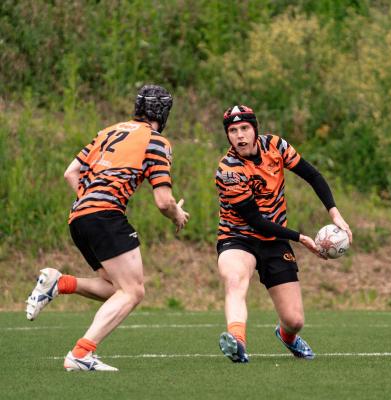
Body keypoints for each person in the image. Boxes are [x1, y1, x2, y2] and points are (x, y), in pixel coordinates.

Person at [25, 84, 189, 371]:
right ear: (163, 113)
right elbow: (164, 201)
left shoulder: (108, 132)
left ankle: (59, 283)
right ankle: (81, 353)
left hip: (79, 217)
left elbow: (70, 172)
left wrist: (90, 201)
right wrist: (177, 215)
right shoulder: (156, 141)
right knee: (133, 291)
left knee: (115, 288)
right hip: (105, 217)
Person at [215, 105, 352, 363]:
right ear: (228, 135)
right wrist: (300, 238)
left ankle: (287, 336)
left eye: (244, 128)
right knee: (235, 279)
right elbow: (255, 221)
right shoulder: (229, 170)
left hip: (274, 241)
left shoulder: (276, 146)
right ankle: (237, 342)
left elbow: (312, 175)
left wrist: (335, 213)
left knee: (294, 320)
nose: (240, 135)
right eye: (233, 131)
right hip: (238, 238)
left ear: (255, 129)